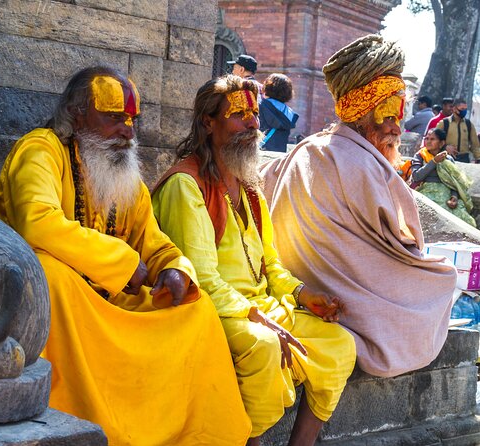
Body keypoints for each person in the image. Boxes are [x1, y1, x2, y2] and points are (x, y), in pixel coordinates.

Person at [0, 66, 251, 445]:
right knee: (50, 273)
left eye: (131, 121)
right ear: (77, 115)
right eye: (114, 119)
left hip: (109, 304)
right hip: (61, 305)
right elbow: (36, 224)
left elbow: (155, 242)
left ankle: (192, 436)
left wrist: (175, 269)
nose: (127, 131)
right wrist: (125, 264)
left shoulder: (123, 171)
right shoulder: (41, 149)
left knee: (197, 309)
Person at [152, 75, 356, 446]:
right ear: (208, 123)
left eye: (254, 114)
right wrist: (254, 315)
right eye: (238, 114)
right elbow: (201, 278)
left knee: (341, 344)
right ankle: (251, 440)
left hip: (263, 306)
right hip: (213, 311)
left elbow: (270, 266)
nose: (252, 123)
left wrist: (301, 294)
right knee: (263, 347)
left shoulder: (250, 188)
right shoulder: (186, 185)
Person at [260, 35, 457, 378]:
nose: (397, 129)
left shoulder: (305, 148)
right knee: (443, 276)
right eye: (388, 117)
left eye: (399, 116)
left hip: (298, 287)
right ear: (363, 115)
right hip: (341, 296)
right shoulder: (364, 163)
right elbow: (404, 242)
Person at [411, 128, 476, 227]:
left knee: (464, 220)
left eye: (432, 139)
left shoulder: (448, 158)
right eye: (427, 138)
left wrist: (454, 197)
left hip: (446, 195)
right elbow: (416, 176)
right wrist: (434, 162)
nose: (428, 141)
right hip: (426, 193)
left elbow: (454, 182)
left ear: (441, 143)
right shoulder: (420, 156)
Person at [259, 73, 299, 152]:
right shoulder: (291, 114)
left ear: (267, 88)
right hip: (279, 156)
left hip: (261, 151)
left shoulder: (260, 106)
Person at [436, 98, 480, 163]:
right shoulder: (444, 123)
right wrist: (445, 147)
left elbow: (475, 145)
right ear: (454, 109)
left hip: (464, 159)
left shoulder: (469, 124)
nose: (464, 111)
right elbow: (435, 140)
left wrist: (478, 158)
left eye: (465, 109)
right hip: (447, 158)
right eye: (462, 109)